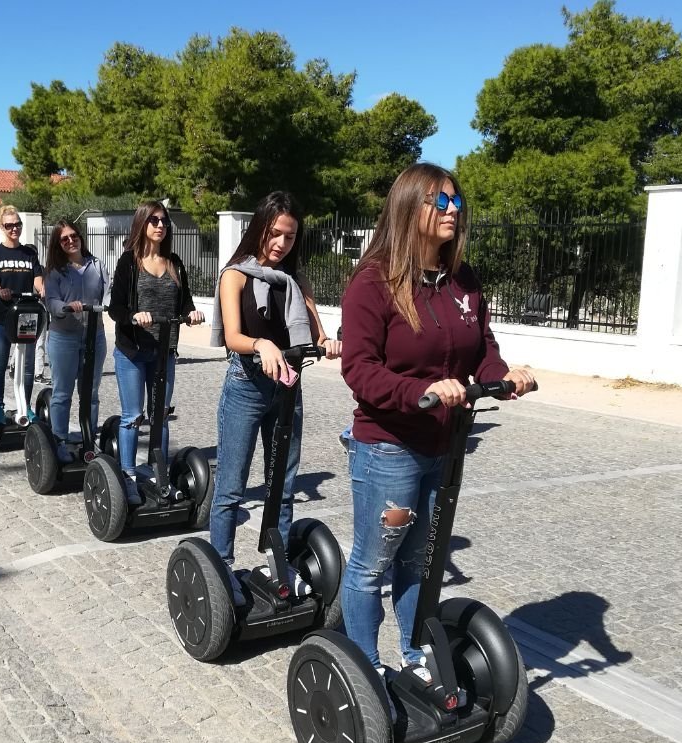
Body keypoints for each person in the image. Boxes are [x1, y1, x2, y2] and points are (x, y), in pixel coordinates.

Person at [339, 163, 536, 673]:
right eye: (440, 202)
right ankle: (364, 670)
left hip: (442, 446)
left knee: (420, 562)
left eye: (456, 202)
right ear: (410, 208)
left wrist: (503, 375)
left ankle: (413, 657)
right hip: (389, 446)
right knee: (372, 565)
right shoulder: (373, 282)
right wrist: (421, 391)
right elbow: (359, 370)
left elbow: (480, 347)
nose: (453, 211)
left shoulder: (460, 279)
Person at [208, 191, 341, 604]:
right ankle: (221, 568)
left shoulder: (297, 283)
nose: (281, 243)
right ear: (260, 229)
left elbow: (316, 333)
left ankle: (275, 565)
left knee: (281, 485)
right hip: (246, 386)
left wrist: (330, 343)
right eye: (276, 233)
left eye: (290, 236)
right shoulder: (235, 275)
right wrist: (260, 344)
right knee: (231, 487)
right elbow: (232, 337)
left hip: (287, 388)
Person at [108, 201, 205, 504]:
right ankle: (127, 475)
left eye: (164, 221)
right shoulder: (129, 262)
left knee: (160, 416)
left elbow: (184, 298)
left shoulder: (174, 262)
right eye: (154, 220)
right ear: (142, 223)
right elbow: (116, 308)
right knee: (133, 416)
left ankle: (156, 471)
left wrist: (191, 313)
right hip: (133, 351)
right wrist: (134, 316)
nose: (160, 225)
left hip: (165, 350)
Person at [43, 220, 111, 464]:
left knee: (90, 392)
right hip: (64, 336)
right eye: (64, 239)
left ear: (80, 237)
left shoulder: (96, 265)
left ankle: (88, 439)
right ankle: (59, 440)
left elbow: (108, 289)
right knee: (62, 392)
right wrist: (64, 307)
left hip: (95, 334)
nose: (71, 241)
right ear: (58, 244)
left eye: (74, 236)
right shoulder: (55, 271)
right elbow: (50, 300)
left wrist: (111, 304)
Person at [0, 206, 44, 424]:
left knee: (27, 365)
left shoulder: (29, 253)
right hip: (1, 315)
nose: (14, 228)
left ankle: (24, 406)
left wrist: (42, 289)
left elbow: (37, 277)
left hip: (26, 315)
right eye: (9, 225)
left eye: (17, 224)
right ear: (2, 227)